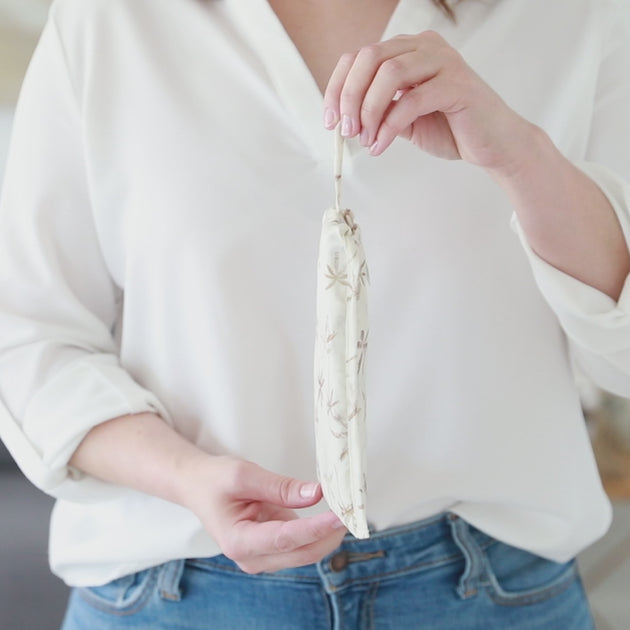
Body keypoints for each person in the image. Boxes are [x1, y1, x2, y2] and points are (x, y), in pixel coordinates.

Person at [1, 0, 629, 627]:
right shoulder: (111, 20)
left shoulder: (575, 17)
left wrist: (524, 157)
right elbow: (28, 337)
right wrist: (185, 477)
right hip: (176, 591)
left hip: (490, 594)